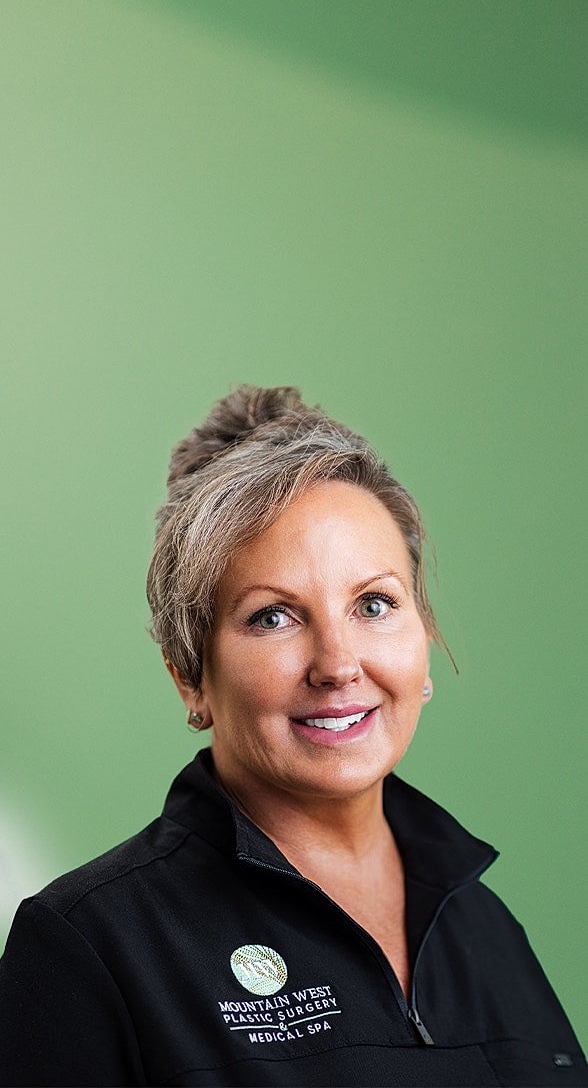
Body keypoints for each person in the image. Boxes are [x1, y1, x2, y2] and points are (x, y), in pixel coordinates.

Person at [0, 385, 585, 1087]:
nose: (339, 665)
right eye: (274, 616)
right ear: (191, 676)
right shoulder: (92, 944)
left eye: (374, 604)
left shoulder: (485, 926)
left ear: (423, 635)